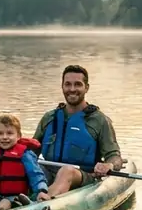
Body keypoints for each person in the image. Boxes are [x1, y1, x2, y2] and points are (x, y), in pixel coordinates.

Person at [32, 64, 124, 197]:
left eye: (78, 84)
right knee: (26, 167)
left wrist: (109, 165)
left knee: (66, 171)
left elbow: (114, 156)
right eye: (68, 84)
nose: (72, 89)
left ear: (86, 87)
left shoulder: (100, 120)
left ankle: (42, 202)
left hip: (83, 176)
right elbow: (31, 152)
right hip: (49, 172)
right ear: (62, 87)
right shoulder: (49, 117)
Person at [0, 113, 50, 210]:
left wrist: (41, 191)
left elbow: (36, 176)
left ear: (18, 136)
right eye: (0, 133)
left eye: (9, 133)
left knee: (6, 202)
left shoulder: (25, 155)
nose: (5, 137)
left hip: (14, 197)